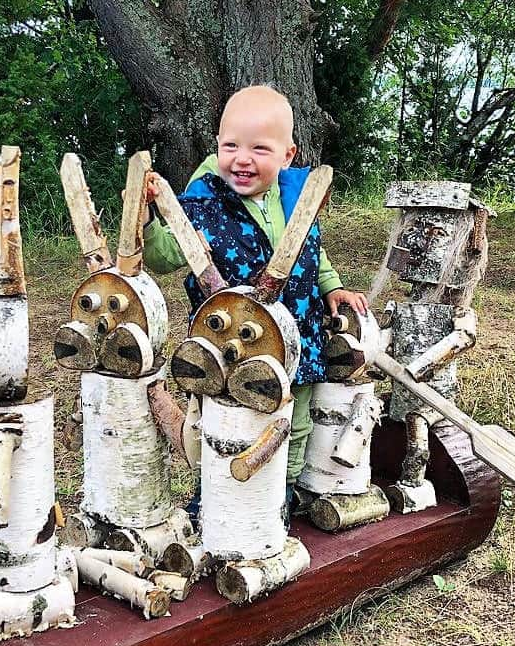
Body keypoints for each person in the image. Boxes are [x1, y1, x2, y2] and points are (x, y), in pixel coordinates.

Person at [143, 85, 367, 510]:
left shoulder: (297, 197)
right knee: (225, 422)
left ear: (287, 155)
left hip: (295, 336)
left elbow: (312, 250)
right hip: (231, 346)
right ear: (217, 146)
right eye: (231, 146)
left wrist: (331, 285)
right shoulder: (203, 205)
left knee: (294, 421)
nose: (242, 159)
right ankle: (215, 498)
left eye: (259, 149)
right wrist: (149, 218)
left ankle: (281, 494)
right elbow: (164, 256)